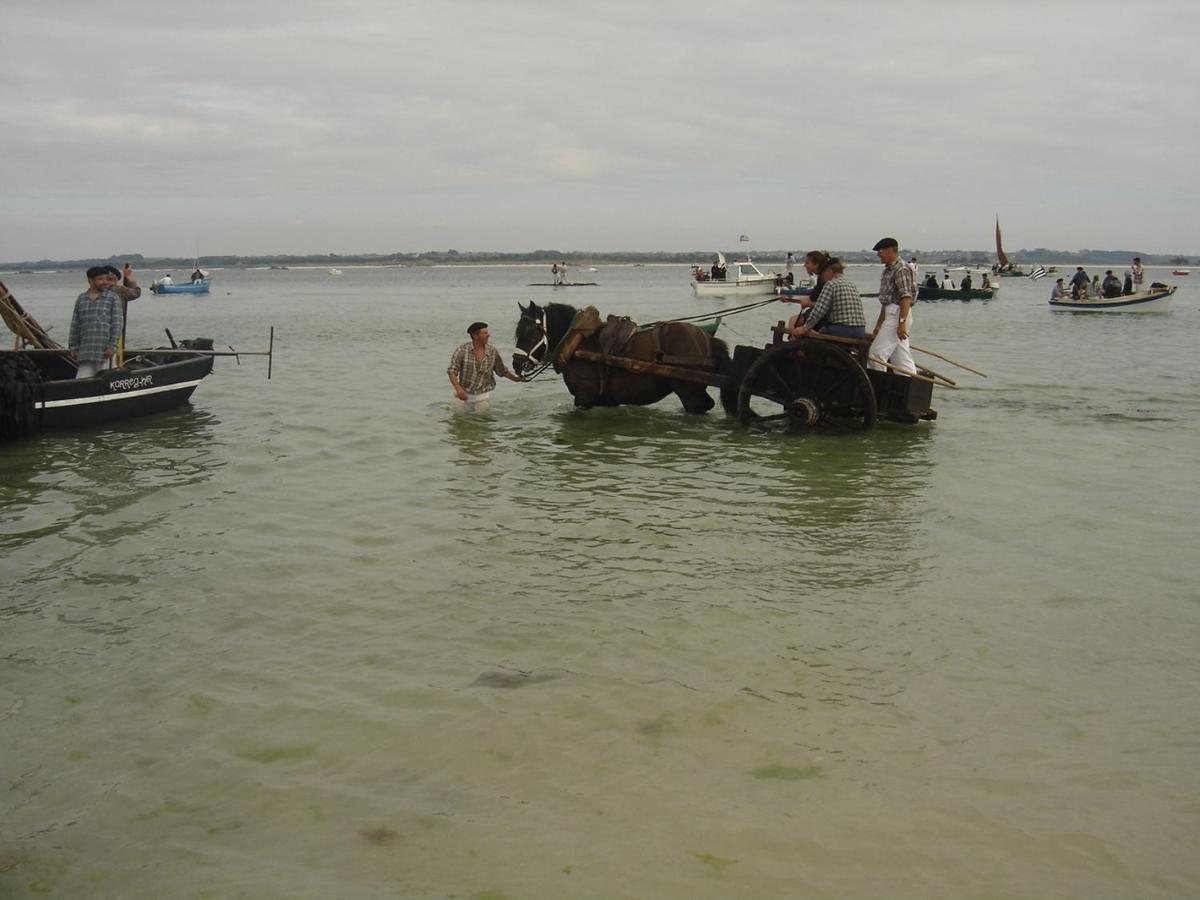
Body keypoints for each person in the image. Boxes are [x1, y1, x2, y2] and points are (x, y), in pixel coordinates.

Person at [447, 321, 526, 412]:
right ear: (475, 336)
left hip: (482, 397)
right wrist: (458, 389)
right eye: (485, 333)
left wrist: (517, 379)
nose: (488, 335)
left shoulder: (492, 351)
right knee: (459, 419)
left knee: (483, 419)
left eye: (487, 332)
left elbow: (502, 371)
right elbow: (452, 371)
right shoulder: (462, 350)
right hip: (463, 395)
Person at [868, 237, 916, 376]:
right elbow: (886, 302)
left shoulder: (901, 269)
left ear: (891, 250)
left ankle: (879, 389)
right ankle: (910, 388)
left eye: (881, 251)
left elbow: (906, 297)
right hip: (891, 314)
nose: (879, 254)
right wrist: (878, 325)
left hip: (899, 314)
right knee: (901, 361)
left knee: (876, 355)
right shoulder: (887, 271)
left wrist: (901, 324)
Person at [788, 258, 866, 340]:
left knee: (811, 335)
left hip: (841, 330)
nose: (822, 278)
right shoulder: (851, 284)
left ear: (829, 271)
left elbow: (818, 311)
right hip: (860, 331)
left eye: (823, 274)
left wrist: (804, 328)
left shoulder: (830, 284)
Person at [69, 266, 124, 379]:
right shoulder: (82, 298)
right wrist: (73, 347)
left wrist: (112, 346)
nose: (104, 282)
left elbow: (117, 325)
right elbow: (75, 325)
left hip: (104, 352)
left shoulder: (112, 298)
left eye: (106, 279)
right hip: (86, 352)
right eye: (100, 279)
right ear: (91, 280)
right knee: (81, 382)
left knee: (107, 382)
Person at [783, 250, 830, 332]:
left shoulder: (823, 279)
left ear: (816, 264)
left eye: (807, 263)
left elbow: (823, 305)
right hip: (821, 315)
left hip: (824, 318)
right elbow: (811, 299)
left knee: (793, 320)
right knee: (794, 320)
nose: (804, 265)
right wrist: (788, 299)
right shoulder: (820, 278)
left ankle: (794, 342)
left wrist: (808, 304)